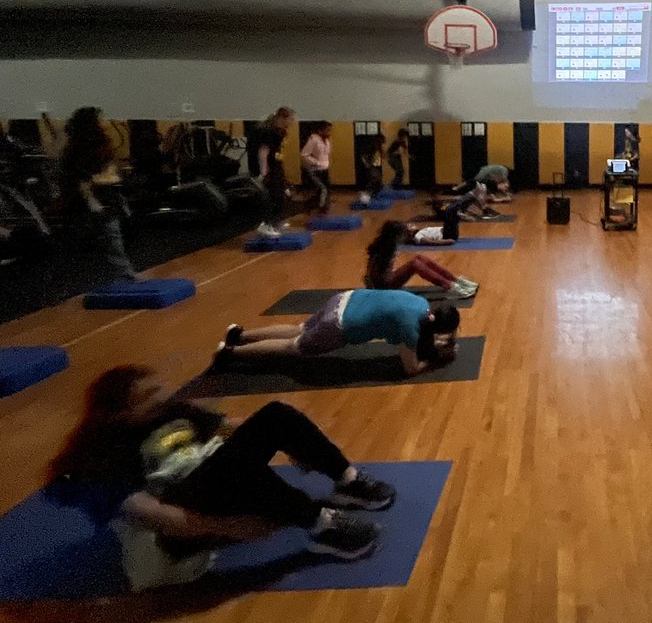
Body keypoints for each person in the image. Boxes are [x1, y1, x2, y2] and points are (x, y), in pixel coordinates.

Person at [46, 365, 394, 587]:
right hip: (185, 515)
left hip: (224, 480)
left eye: (159, 388)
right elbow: (155, 515)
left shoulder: (172, 411)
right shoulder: (107, 455)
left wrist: (294, 443)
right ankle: (321, 527)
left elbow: (232, 428)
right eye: (149, 396)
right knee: (230, 464)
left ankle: (347, 482)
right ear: (121, 414)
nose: (164, 395)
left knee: (275, 414)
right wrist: (230, 528)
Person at [216, 289, 461, 378]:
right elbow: (410, 368)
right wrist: (435, 360)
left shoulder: (419, 303)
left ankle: (240, 334)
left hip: (344, 299)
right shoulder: (412, 328)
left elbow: (420, 330)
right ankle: (231, 353)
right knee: (292, 347)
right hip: (339, 325)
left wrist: (442, 340)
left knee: (300, 328)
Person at [60, 107, 136, 283]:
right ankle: (123, 275)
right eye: (101, 118)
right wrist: (92, 200)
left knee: (113, 234)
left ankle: (122, 273)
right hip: (91, 198)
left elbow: (107, 171)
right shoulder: (82, 147)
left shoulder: (101, 143)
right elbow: (81, 178)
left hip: (107, 195)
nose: (106, 121)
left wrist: (112, 176)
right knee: (111, 235)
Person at [364, 220, 478, 298]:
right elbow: (372, 274)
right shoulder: (384, 249)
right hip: (383, 287)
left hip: (386, 280)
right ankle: (449, 286)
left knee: (418, 258)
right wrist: (373, 292)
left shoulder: (387, 245)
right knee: (415, 264)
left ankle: (455, 280)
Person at [246, 107, 295, 238]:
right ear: (282, 117)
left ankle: (275, 222)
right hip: (269, 168)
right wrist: (263, 170)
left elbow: (277, 152)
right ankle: (265, 224)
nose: (292, 122)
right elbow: (263, 151)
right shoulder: (270, 131)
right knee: (272, 195)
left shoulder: (281, 132)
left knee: (283, 193)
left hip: (276, 165)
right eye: (291, 119)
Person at [300, 121, 333, 214]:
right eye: (327, 130)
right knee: (322, 189)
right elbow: (304, 155)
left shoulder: (327, 140)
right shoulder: (313, 139)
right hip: (315, 170)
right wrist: (316, 162)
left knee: (326, 190)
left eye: (330, 130)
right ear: (320, 130)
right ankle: (317, 208)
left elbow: (326, 154)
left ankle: (322, 209)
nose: (329, 132)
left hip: (324, 169)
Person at [358, 134, 386, 203]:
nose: (383, 143)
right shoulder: (372, 147)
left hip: (377, 166)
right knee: (373, 181)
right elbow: (363, 156)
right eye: (382, 141)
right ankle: (365, 197)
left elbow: (383, 156)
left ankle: (373, 195)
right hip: (372, 166)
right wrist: (367, 164)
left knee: (378, 182)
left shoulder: (378, 147)